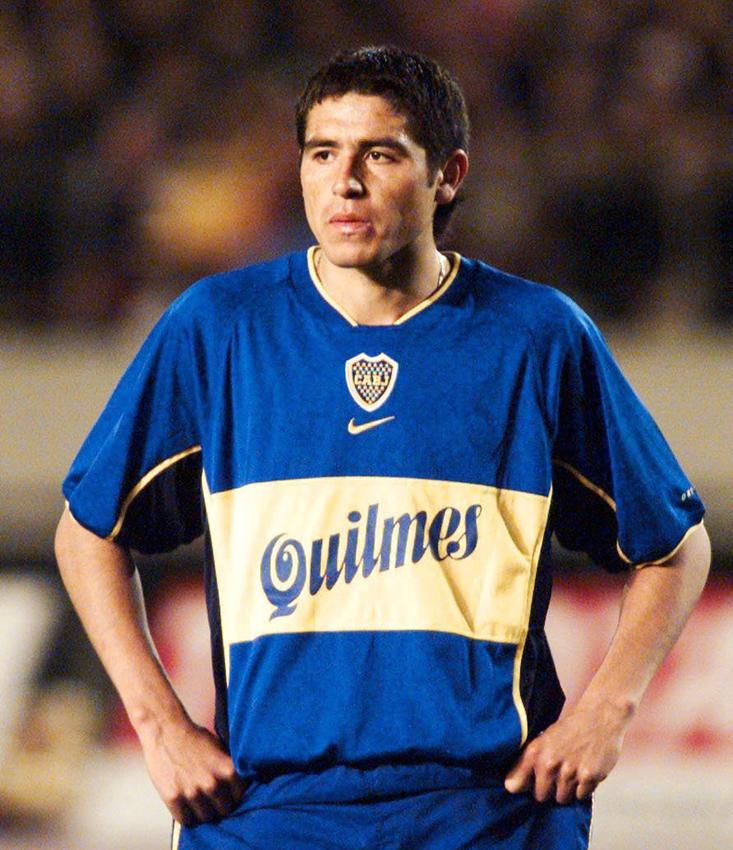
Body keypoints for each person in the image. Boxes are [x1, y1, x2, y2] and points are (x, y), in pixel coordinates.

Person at [55, 46, 710, 850]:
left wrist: (606, 711)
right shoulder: (218, 328)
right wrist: (158, 725)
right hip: (270, 813)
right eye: (322, 153)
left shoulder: (535, 337)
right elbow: (86, 533)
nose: (345, 181)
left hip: (488, 813)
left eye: (380, 154)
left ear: (447, 175)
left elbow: (675, 548)